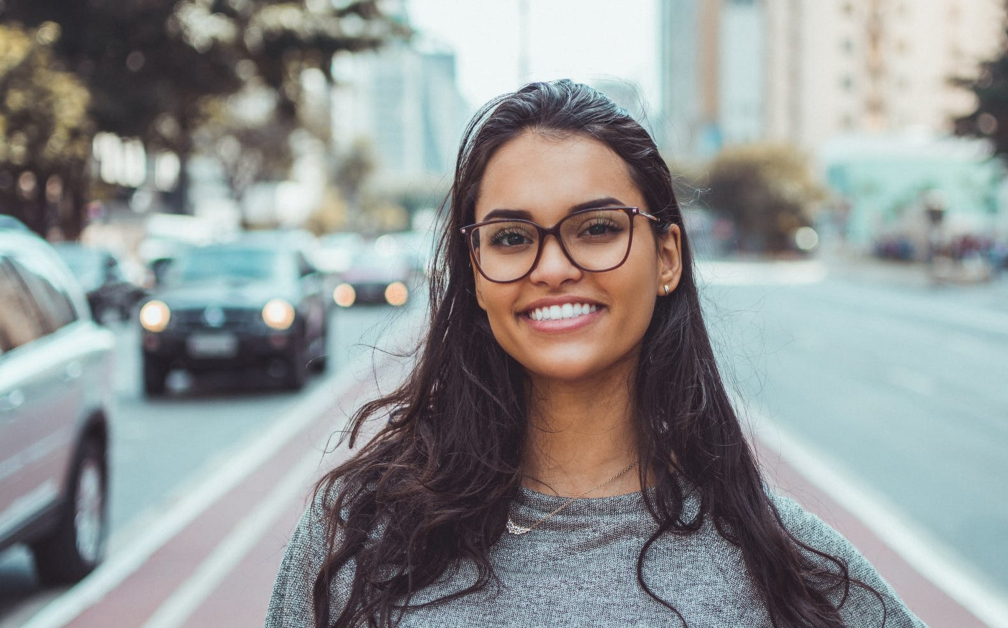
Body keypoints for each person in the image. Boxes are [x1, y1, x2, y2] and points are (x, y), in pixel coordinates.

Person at [266, 80, 925, 628]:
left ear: (666, 257)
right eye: (513, 237)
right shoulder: (355, 543)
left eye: (598, 229)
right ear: (473, 271)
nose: (552, 267)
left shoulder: (790, 573)